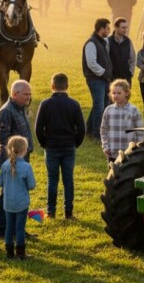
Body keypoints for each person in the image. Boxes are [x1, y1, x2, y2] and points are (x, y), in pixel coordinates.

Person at [35, 73, 85, 220]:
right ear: (67, 86)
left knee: (52, 180)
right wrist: (75, 143)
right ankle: (68, 212)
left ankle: (51, 212)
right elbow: (81, 129)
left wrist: (44, 143)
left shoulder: (45, 104)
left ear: (52, 86)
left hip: (51, 147)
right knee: (68, 180)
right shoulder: (74, 104)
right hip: (69, 147)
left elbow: (38, 129)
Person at [0, 80, 34, 240]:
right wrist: (11, 162)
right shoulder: (6, 111)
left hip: (22, 158)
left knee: (20, 193)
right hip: (12, 160)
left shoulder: (20, 108)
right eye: (26, 94)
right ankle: (1, 229)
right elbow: (4, 140)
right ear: (14, 94)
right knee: (7, 194)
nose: (28, 97)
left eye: (30, 94)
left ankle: (19, 229)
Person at [0, 136, 36, 260]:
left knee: (9, 226)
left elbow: (0, 183)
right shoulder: (26, 167)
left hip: (8, 203)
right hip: (21, 203)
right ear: (24, 150)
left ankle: (9, 253)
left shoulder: (4, 166)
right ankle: (20, 253)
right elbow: (31, 185)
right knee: (20, 228)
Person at [100, 79, 144, 163]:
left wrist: (138, 149)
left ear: (126, 93)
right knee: (113, 174)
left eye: (119, 93)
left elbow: (140, 132)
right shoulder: (108, 110)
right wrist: (105, 147)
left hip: (129, 153)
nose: (116, 95)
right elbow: (103, 130)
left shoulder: (133, 110)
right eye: (113, 93)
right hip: (112, 152)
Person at [83, 18, 113, 140]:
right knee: (99, 106)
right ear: (101, 29)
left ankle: (89, 129)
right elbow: (91, 63)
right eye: (107, 28)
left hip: (103, 79)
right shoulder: (91, 43)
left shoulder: (102, 41)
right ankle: (97, 135)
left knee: (100, 104)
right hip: (95, 79)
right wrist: (104, 73)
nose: (109, 31)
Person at [108, 17, 136, 84]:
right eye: (123, 28)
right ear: (116, 27)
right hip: (112, 79)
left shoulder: (128, 41)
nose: (125, 30)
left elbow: (133, 58)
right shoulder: (108, 41)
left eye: (126, 27)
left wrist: (131, 73)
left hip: (126, 79)